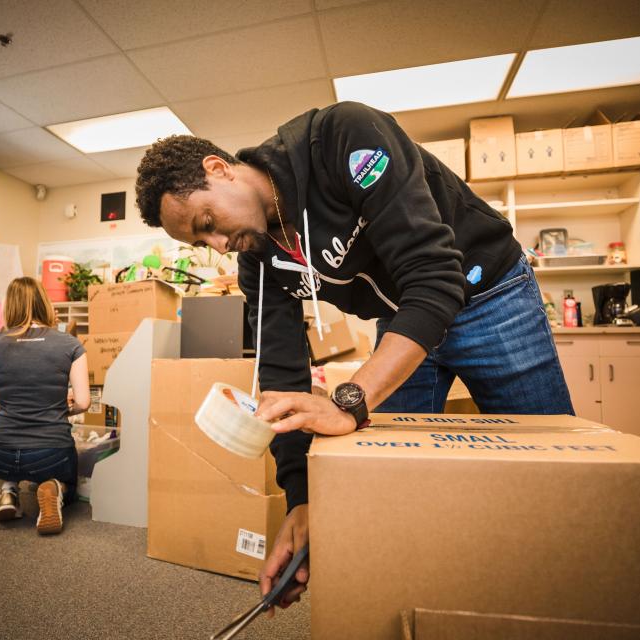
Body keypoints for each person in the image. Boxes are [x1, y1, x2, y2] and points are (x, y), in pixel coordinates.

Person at [134, 101, 573, 611]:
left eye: (208, 221)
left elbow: (434, 278)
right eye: (201, 241)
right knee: (387, 483)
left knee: (553, 473)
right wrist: (301, 502)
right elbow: (279, 379)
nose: (218, 244)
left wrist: (349, 400)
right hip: (403, 320)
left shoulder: (341, 138)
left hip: (489, 294)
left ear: (219, 168)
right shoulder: (258, 258)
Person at [0, 277, 90, 535]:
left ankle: (8, 492)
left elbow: (19, 385)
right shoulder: (71, 345)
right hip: (48, 454)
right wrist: (62, 407)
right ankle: (56, 487)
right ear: (45, 303)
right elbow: (84, 402)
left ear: (10, 307)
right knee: (69, 474)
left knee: (15, 451)